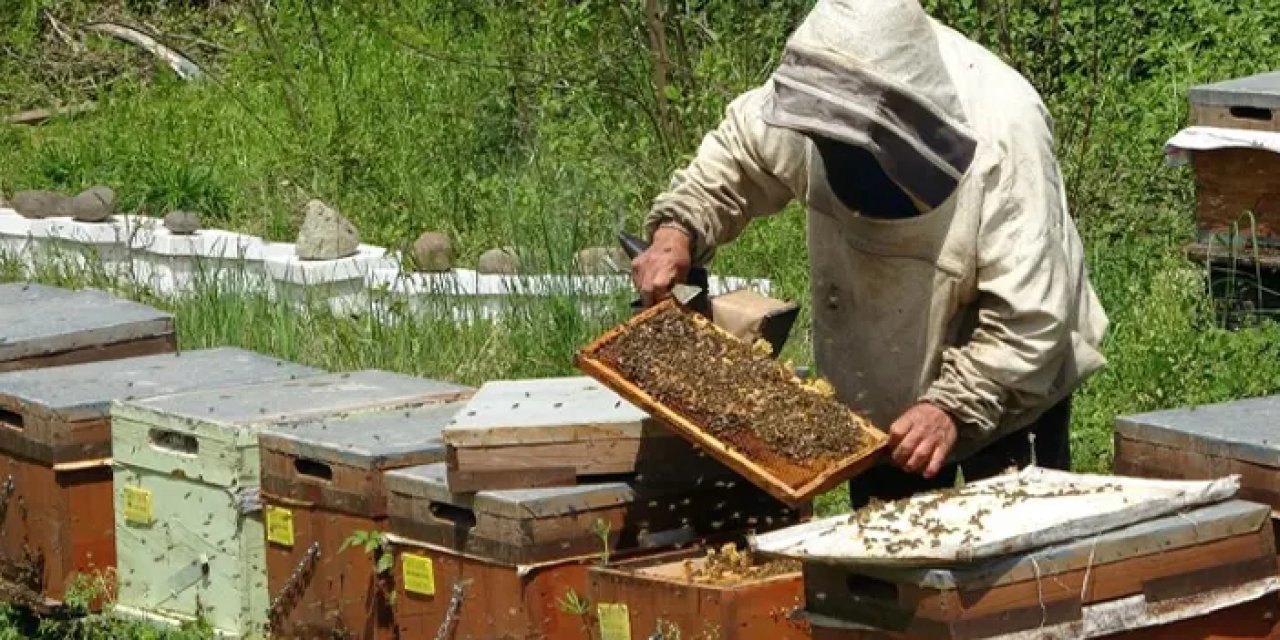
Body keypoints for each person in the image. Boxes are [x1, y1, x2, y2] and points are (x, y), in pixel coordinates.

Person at [630, 0, 1109, 507]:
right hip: (882, 390)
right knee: (882, 571)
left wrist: (951, 408)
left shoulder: (1007, 130)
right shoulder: (812, 94)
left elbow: (1029, 318)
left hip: (1012, 384)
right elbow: (737, 156)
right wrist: (676, 231)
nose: (835, 153)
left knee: (1017, 565)